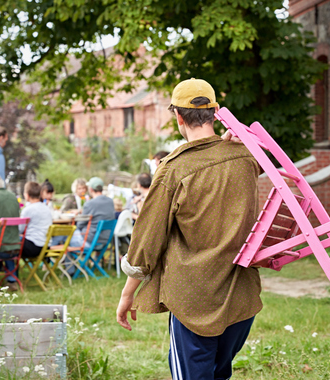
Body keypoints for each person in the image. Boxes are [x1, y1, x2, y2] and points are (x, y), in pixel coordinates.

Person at [116, 78, 262, 380]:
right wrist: (234, 138)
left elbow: (147, 240)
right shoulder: (247, 157)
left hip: (194, 301)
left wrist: (128, 294)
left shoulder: (174, 168)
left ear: (179, 117)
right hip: (240, 297)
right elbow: (253, 156)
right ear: (216, 112)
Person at [76, 177, 115, 248]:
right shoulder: (110, 201)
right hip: (105, 240)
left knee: (65, 238)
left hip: (90, 241)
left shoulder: (90, 203)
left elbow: (80, 224)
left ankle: (68, 259)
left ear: (90, 189)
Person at [20, 182, 52, 258]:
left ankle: (10, 269)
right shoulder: (47, 208)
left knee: (10, 241)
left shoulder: (27, 210)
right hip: (46, 247)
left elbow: (20, 229)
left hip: (33, 248)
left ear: (27, 195)